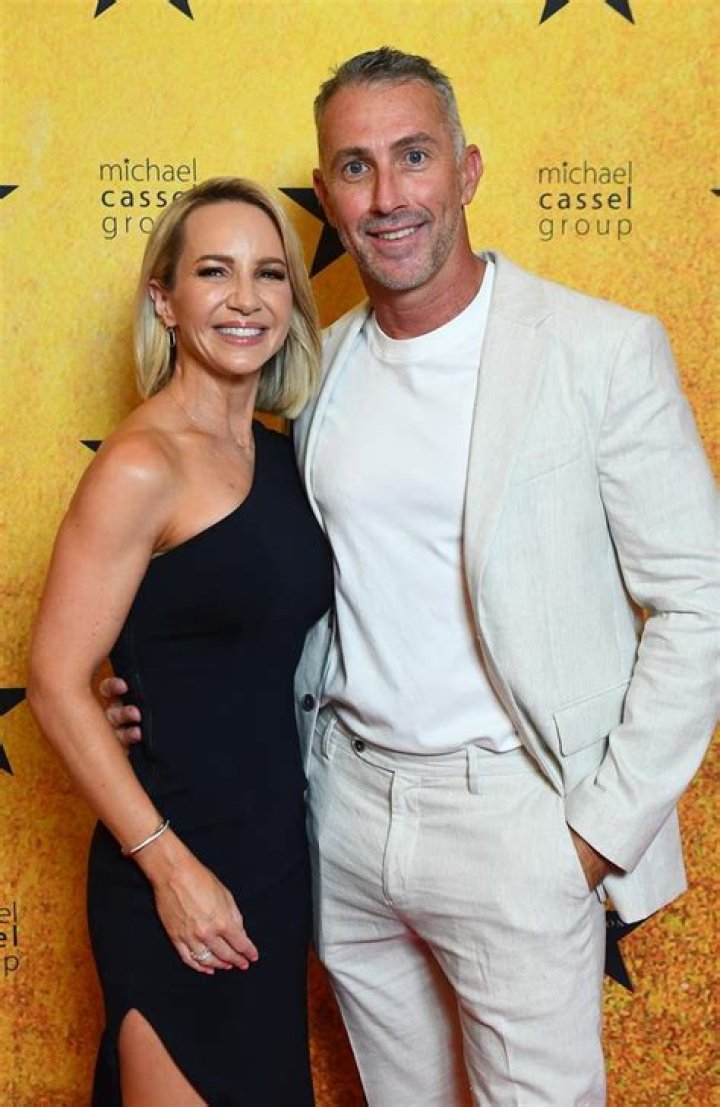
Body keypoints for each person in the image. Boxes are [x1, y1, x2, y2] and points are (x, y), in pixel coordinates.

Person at [105, 49, 718, 1107]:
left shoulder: (600, 351)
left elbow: (702, 599)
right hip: (341, 814)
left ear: (467, 170)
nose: (387, 195)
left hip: (517, 817)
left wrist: (595, 834)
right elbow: (250, 570)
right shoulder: (311, 369)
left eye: (414, 157)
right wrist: (140, 686)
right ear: (327, 194)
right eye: (355, 167)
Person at [28, 177, 332, 1107]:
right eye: (214, 271)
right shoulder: (140, 463)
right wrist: (170, 868)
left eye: (269, 273)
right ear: (164, 299)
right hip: (171, 867)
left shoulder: (284, 456)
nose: (246, 298)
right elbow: (53, 678)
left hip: (275, 864)